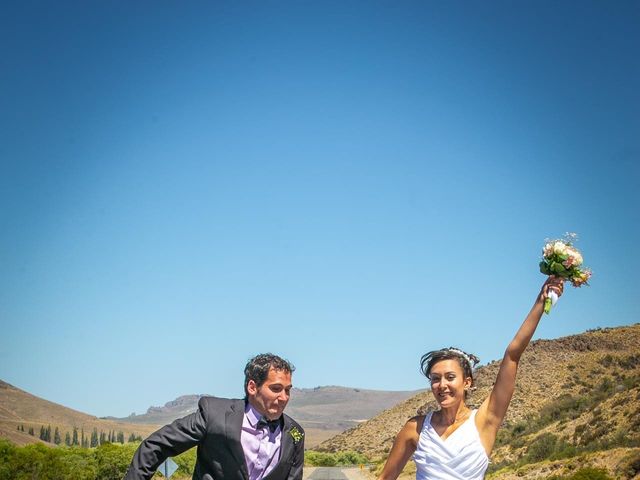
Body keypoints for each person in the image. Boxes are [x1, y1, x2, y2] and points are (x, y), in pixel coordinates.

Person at [377, 276, 564, 480]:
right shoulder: (416, 428)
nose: (442, 385)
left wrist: (540, 302)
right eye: (435, 379)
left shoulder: (485, 420)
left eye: (450, 377)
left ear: (467, 382)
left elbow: (512, 355)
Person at [124, 353, 305, 480]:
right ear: (252, 387)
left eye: (288, 390)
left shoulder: (295, 433)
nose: (284, 397)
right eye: (276, 389)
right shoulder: (214, 415)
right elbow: (156, 446)